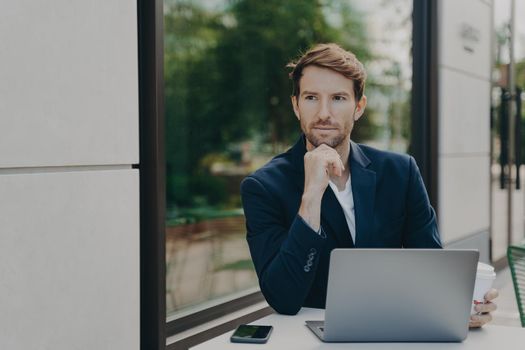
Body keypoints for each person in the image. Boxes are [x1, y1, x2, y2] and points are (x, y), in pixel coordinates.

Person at [240, 43, 497, 328]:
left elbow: (431, 268)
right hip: (307, 338)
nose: (324, 113)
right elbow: (283, 298)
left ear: (358, 107)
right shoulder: (263, 187)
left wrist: (460, 307)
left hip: (392, 328)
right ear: (296, 105)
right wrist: (311, 196)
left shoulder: (401, 172)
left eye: (338, 98)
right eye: (311, 97)